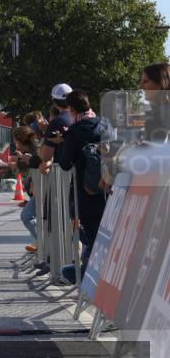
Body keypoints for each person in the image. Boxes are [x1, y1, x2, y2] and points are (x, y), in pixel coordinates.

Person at [55, 90, 108, 282]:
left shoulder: (75, 131)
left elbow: (65, 163)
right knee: (107, 234)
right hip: (109, 191)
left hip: (86, 192)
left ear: (71, 108)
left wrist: (63, 143)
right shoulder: (105, 124)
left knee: (92, 235)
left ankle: (91, 276)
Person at [12, 126, 42, 251]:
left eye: (16, 141)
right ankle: (40, 241)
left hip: (41, 189)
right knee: (36, 217)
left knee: (27, 216)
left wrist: (18, 161)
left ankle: (41, 241)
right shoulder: (31, 149)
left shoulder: (34, 149)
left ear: (20, 140)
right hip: (37, 190)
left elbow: (34, 163)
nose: (15, 144)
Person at [38, 83, 74, 175]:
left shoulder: (57, 122)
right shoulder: (81, 116)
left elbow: (45, 156)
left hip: (64, 174)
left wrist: (45, 134)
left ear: (54, 101)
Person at [141, 62, 170, 142]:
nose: (141, 86)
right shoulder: (160, 111)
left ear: (160, 83)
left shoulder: (162, 114)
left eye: (145, 81)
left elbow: (152, 150)